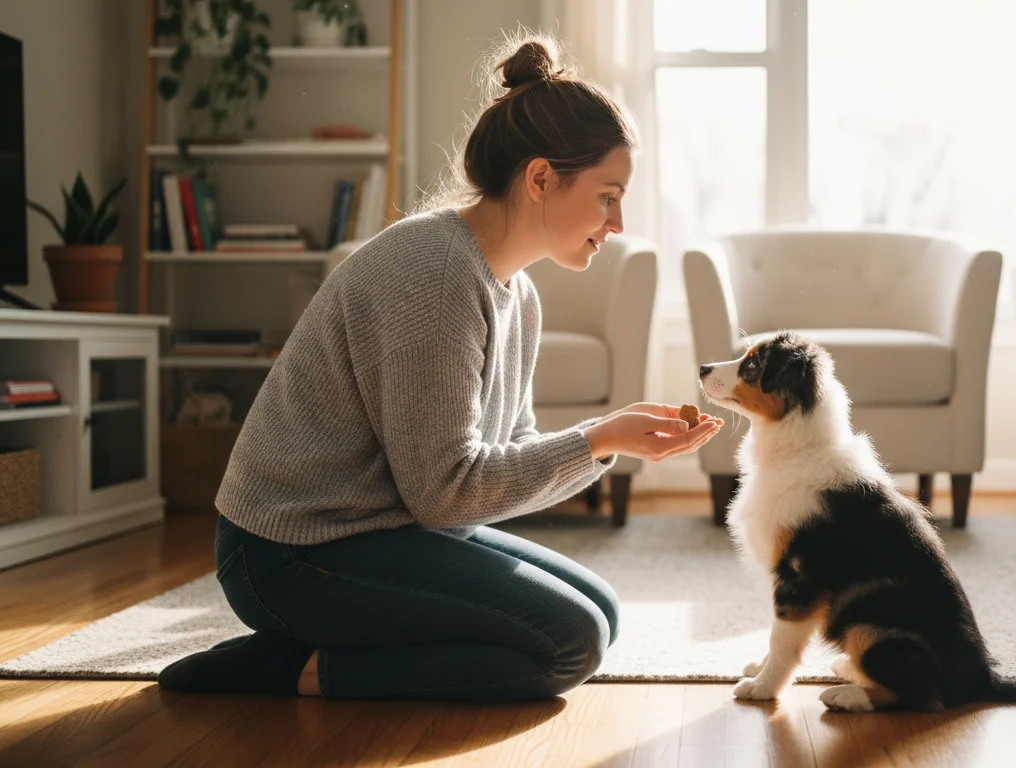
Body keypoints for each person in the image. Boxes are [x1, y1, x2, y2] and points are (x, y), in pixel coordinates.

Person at [158, 35, 723, 701]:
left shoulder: (519, 294)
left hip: (376, 533)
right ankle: (296, 669)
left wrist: (606, 442)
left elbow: (498, 465)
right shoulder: (436, 271)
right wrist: (598, 437)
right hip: (288, 553)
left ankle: (322, 646)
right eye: (608, 195)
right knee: (570, 640)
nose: (619, 221)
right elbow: (445, 494)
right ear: (541, 178)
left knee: (601, 610)